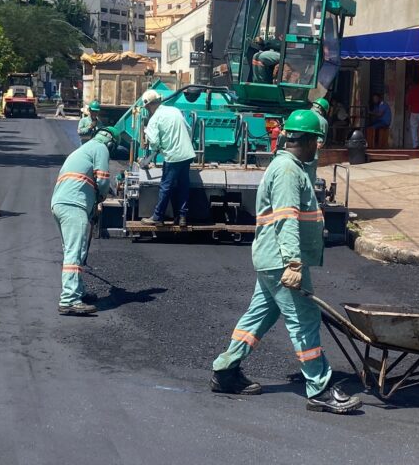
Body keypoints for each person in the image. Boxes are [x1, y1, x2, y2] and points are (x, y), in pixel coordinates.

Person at [210, 108, 362, 415]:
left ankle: (225, 370)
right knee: (304, 319)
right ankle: (319, 388)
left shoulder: (289, 166)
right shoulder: (288, 171)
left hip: (271, 258)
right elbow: (286, 219)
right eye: (317, 142)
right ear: (307, 141)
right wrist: (294, 263)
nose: (318, 148)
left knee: (259, 316)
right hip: (282, 260)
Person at [50, 127, 120, 316]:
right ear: (111, 142)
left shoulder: (84, 148)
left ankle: (78, 291)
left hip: (61, 203)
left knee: (74, 250)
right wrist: (101, 197)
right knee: (75, 251)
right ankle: (69, 300)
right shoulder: (101, 148)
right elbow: (103, 180)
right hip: (74, 205)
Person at [139, 89, 196, 227]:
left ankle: (157, 217)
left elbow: (154, 142)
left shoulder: (154, 120)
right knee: (183, 186)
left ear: (148, 105)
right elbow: (188, 129)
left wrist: (154, 151)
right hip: (187, 154)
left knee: (166, 186)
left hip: (173, 157)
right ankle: (182, 217)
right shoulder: (175, 110)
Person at [405, 79, 419, 148]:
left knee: (414, 129)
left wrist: (409, 114)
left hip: (414, 112)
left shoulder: (411, 91)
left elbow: (409, 104)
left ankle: (415, 145)